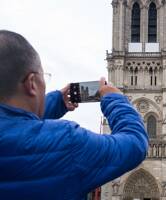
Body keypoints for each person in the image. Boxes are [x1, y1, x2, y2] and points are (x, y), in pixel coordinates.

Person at [0, 30, 149, 199]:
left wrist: (54, 103)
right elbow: (135, 144)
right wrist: (115, 100)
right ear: (32, 83)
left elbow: (13, 122)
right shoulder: (65, 142)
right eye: (44, 77)